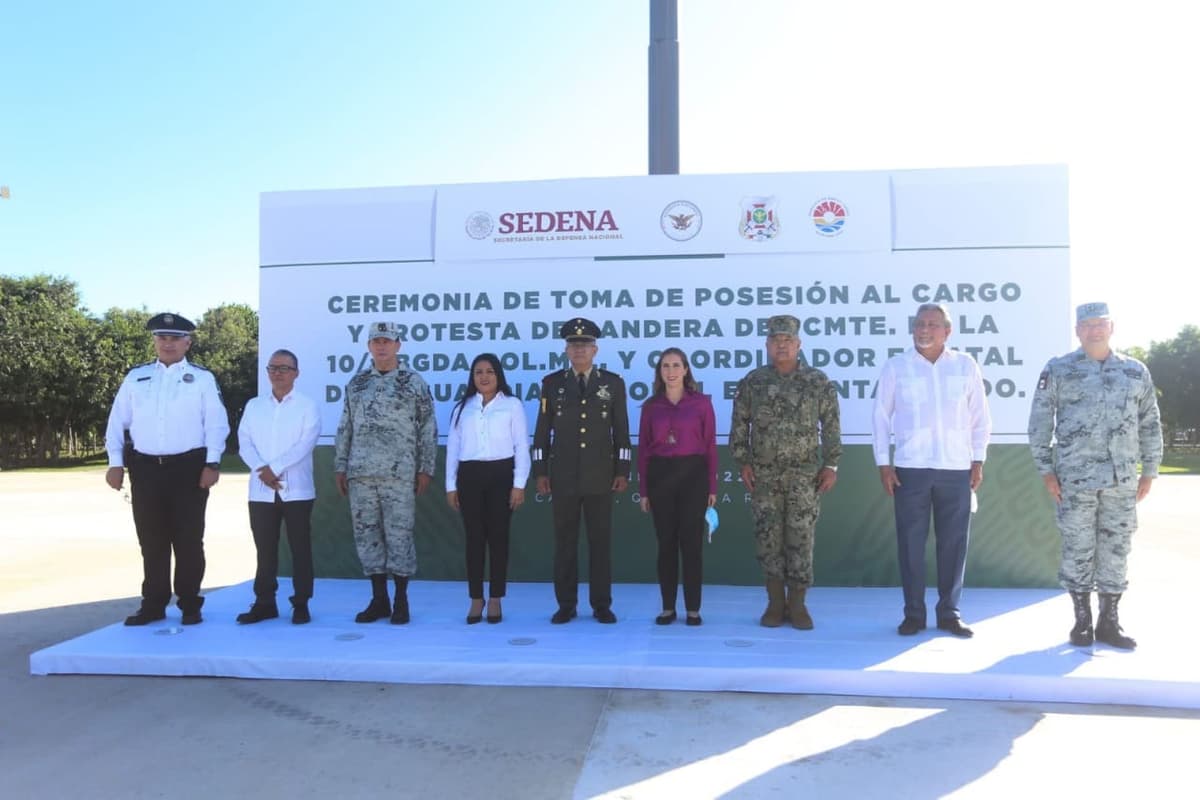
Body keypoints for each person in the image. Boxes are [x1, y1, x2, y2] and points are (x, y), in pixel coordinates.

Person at [1028, 302, 1162, 650]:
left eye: (1100, 324)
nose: (1094, 330)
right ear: (1077, 331)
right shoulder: (1058, 369)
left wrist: (1150, 470)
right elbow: (1040, 423)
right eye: (1087, 325)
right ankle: (1082, 621)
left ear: (1112, 327)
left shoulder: (1135, 372)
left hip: (1121, 481)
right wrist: (1046, 470)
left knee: (1116, 549)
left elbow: (1149, 422)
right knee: (1078, 548)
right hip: (1075, 478)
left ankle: (1109, 621)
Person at [872, 303, 992, 638]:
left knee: (954, 543)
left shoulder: (965, 366)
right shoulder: (897, 367)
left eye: (933, 325)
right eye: (919, 324)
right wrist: (884, 463)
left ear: (947, 331)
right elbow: (881, 417)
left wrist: (978, 459)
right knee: (910, 544)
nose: (925, 330)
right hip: (911, 468)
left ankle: (949, 613)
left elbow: (980, 417)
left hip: (956, 468)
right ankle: (913, 614)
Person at [104, 312, 229, 626]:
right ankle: (153, 604)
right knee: (151, 539)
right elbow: (117, 422)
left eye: (175, 338)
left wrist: (212, 462)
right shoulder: (137, 376)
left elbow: (216, 424)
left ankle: (189, 603)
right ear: (155, 341)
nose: (168, 343)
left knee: (188, 539)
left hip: (188, 467)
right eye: (162, 337)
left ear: (188, 342)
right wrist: (115, 463)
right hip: (145, 468)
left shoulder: (202, 378)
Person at [731, 314, 841, 630]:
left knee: (801, 539)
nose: (782, 345)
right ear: (767, 345)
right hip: (765, 477)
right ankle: (775, 603)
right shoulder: (753, 381)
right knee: (768, 539)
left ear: (798, 344)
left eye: (788, 340)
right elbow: (739, 425)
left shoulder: (818, 381)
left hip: (805, 478)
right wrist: (743, 462)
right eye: (776, 340)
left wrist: (831, 464)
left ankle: (799, 604)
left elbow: (832, 427)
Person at [334, 321, 437, 625]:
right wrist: (341, 465)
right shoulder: (356, 384)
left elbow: (428, 427)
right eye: (376, 341)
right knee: (367, 537)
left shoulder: (413, 382)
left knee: (400, 536)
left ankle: (401, 600)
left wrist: (425, 468)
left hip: (399, 474)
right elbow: (345, 427)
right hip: (362, 473)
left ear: (398, 345)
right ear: (368, 346)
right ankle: (379, 599)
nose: (381, 346)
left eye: (387, 341)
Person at [532, 317, 632, 624]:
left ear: (595, 349)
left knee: (600, 544)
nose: (579, 350)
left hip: (600, 476)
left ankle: (602, 604)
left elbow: (622, 431)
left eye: (585, 345)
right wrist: (540, 470)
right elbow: (542, 431)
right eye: (574, 345)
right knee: (565, 544)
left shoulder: (612, 383)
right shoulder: (552, 384)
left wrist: (622, 470)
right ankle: (566, 604)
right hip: (563, 476)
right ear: (566, 350)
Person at [235, 349, 320, 625]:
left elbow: (305, 443)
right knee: (265, 549)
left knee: (300, 548)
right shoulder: (254, 406)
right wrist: (261, 469)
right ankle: (264, 602)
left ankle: (301, 603)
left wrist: (275, 468)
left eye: (284, 368)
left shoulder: (307, 406)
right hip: (260, 490)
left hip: (296, 490)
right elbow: (244, 441)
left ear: (296, 373)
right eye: (273, 368)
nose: (278, 373)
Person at [445, 353, 531, 624]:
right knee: (474, 539)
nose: (484, 377)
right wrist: (451, 485)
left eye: (490, 372)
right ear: (472, 377)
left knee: (498, 538)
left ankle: (495, 598)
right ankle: (475, 599)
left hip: (501, 475)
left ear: (499, 376)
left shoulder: (512, 405)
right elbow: (453, 449)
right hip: (470, 475)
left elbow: (521, 447)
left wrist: (519, 485)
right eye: (479, 372)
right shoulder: (463, 407)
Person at [637, 348, 717, 626]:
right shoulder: (651, 406)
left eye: (675, 365)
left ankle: (693, 609)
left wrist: (712, 486)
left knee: (692, 546)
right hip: (661, 476)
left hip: (693, 475)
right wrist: (644, 490)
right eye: (665, 366)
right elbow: (644, 451)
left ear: (686, 370)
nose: (670, 371)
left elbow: (710, 446)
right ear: (659, 372)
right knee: (666, 545)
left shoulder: (701, 403)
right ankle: (668, 608)